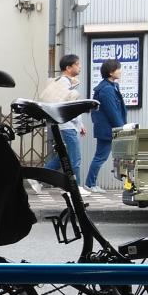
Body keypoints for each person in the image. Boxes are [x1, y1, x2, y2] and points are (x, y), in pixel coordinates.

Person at [39, 54, 88, 194]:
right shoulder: (64, 83)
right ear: (68, 67)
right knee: (75, 158)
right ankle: (75, 188)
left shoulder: (64, 82)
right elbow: (67, 107)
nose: (80, 67)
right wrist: (77, 124)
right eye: (77, 64)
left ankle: (36, 178)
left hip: (67, 125)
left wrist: (80, 125)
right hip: (67, 126)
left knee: (63, 157)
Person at [86, 58, 129, 190]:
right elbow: (112, 112)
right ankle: (90, 184)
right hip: (107, 130)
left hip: (108, 129)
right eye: (118, 69)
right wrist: (121, 128)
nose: (120, 71)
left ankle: (91, 184)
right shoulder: (107, 89)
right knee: (100, 157)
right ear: (111, 72)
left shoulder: (112, 86)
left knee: (102, 156)